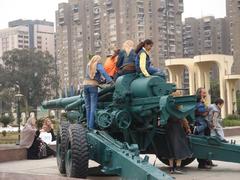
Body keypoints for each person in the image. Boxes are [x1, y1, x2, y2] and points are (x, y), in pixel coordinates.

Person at [83, 55, 113, 129]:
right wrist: (110, 80)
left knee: (88, 107)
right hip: (93, 87)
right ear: (97, 60)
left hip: (85, 85)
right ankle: (91, 126)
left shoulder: (88, 65)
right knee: (93, 107)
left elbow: (91, 76)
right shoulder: (97, 64)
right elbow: (103, 72)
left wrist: (100, 80)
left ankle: (88, 125)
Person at [194, 87, 216, 169]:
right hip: (200, 125)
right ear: (199, 94)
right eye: (203, 93)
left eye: (205, 93)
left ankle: (208, 161)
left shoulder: (202, 102)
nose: (205, 94)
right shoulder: (198, 103)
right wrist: (208, 110)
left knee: (207, 143)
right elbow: (202, 113)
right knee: (202, 143)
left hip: (204, 124)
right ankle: (202, 164)